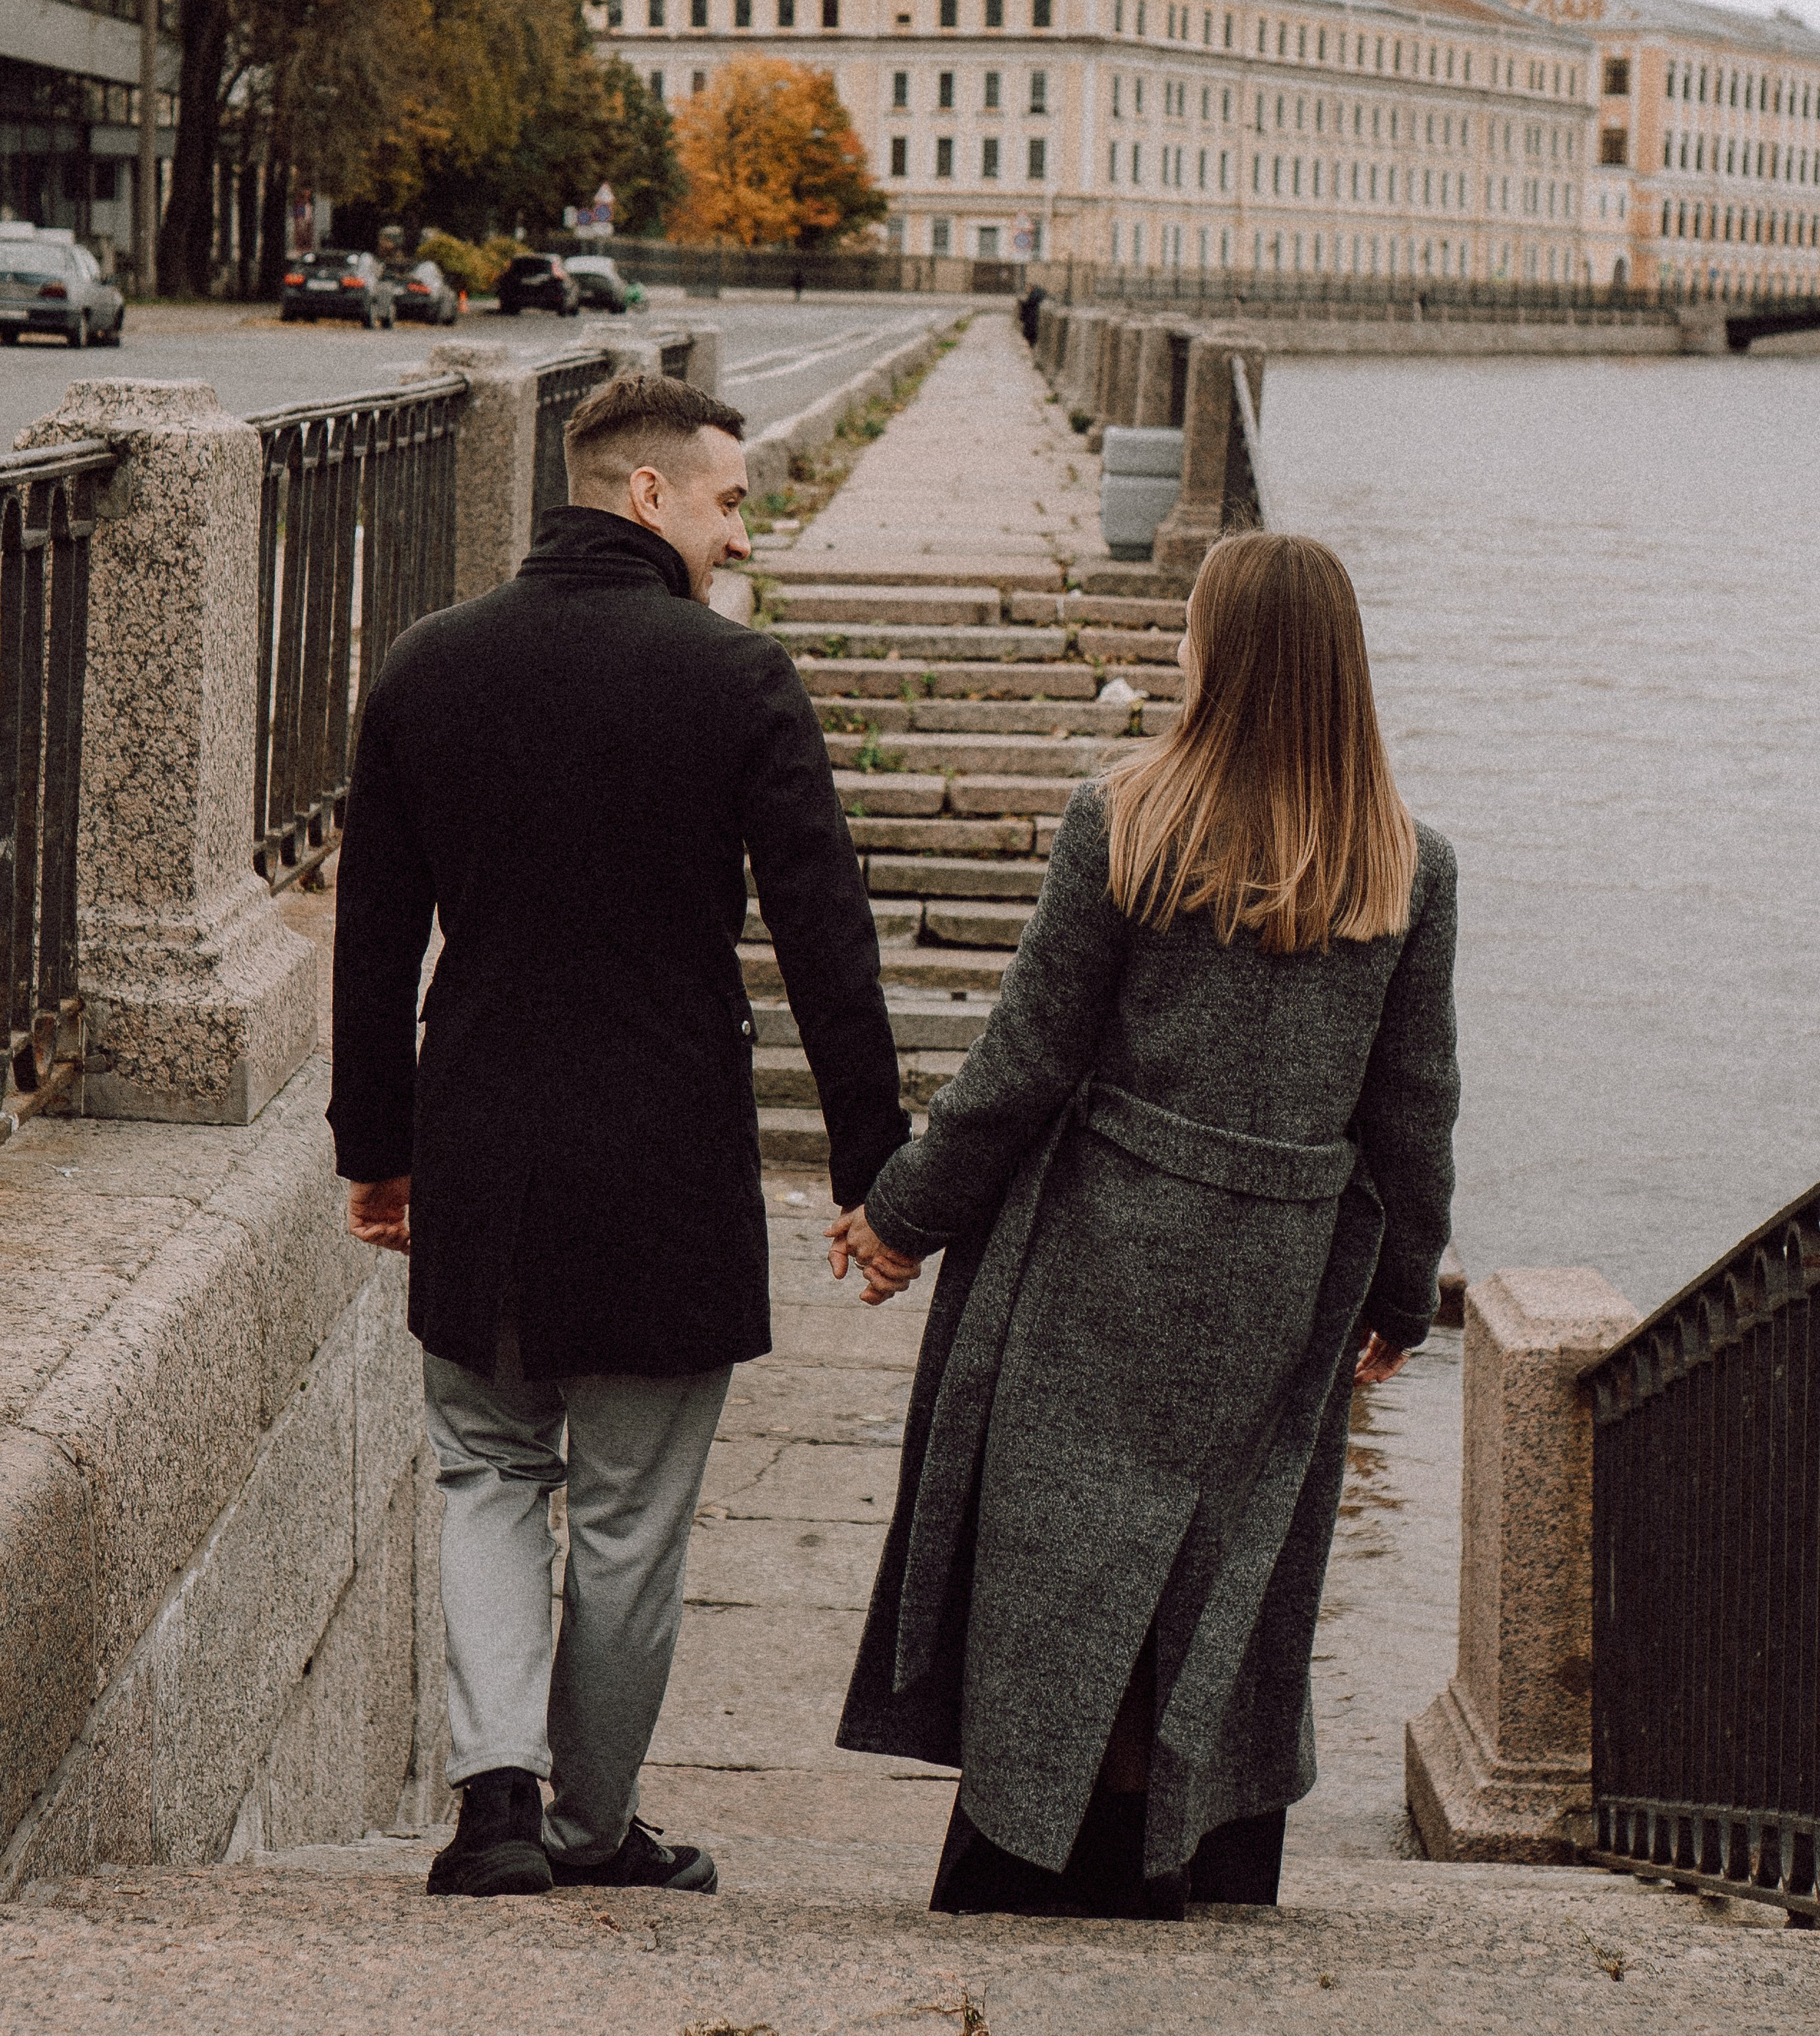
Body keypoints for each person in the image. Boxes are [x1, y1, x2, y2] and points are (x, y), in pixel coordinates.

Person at [330, 371, 908, 1901]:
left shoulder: (425, 667)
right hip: (665, 1154)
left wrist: (371, 1151)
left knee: (484, 1471)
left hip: (483, 1146)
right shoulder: (735, 680)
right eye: (727, 501)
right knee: (636, 1514)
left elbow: (373, 942)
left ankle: (492, 1804)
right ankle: (587, 1828)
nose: (737, 533)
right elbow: (825, 941)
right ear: (642, 492)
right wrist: (876, 1178)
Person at [830, 530, 1458, 1919]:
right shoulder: (1407, 866)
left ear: (1219, 657)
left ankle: (1032, 1867)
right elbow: (1415, 1112)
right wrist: (1400, 1299)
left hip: (1107, 1247)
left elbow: (1025, 1061)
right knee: (1226, 1567)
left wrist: (900, 1219)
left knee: (1065, 1561)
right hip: (1281, 1272)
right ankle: (1186, 1859)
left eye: (1191, 628)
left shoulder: (1126, 819)